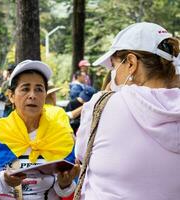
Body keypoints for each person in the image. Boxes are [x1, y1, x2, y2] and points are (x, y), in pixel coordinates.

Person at [75, 22, 180, 200]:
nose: (113, 74)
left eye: (114, 66)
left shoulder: (102, 105)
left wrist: (104, 96)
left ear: (131, 63)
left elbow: (81, 153)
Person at [0, 60, 80, 199]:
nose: (32, 95)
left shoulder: (60, 134)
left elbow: (67, 191)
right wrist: (3, 179)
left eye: (39, 89)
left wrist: (65, 184)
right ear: (11, 96)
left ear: (45, 95)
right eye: (25, 88)